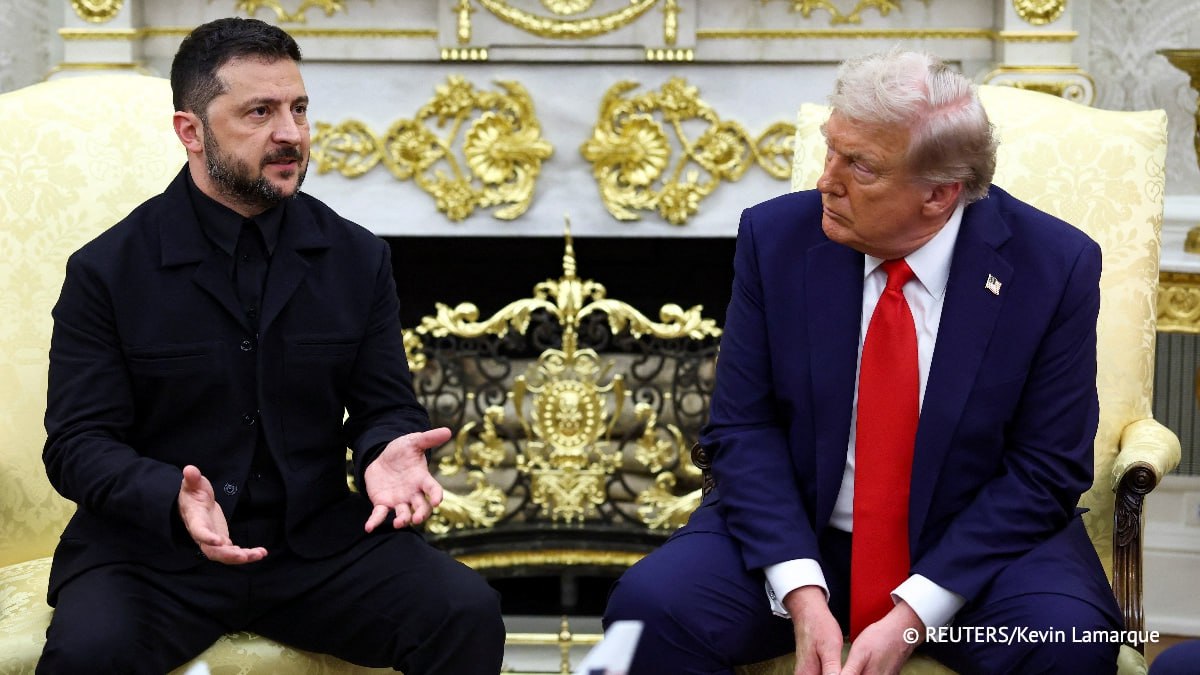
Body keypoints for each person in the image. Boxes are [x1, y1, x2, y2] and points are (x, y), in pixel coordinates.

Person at [604, 49, 1123, 675]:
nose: (827, 180)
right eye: (832, 150)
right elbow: (743, 428)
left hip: (981, 553)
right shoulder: (776, 239)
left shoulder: (1053, 266)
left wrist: (916, 610)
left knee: (1069, 645)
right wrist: (800, 591)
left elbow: (1046, 467)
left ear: (939, 194)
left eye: (861, 166)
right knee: (643, 615)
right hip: (803, 534)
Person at [38, 17, 504, 674]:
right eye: (260, 112)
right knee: (88, 653)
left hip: (315, 550)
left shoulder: (357, 257)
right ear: (191, 131)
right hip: (153, 557)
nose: (291, 133)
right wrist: (170, 494)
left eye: (299, 108)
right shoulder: (107, 270)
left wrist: (385, 448)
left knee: (465, 611)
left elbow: (385, 408)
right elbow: (77, 444)